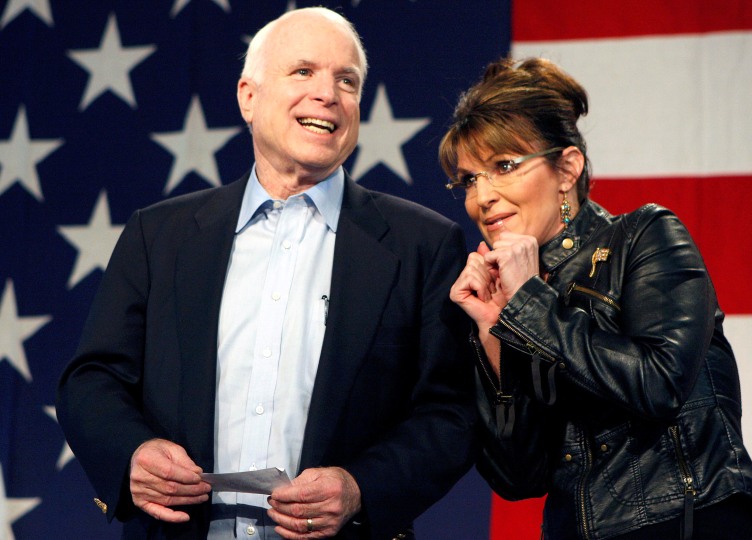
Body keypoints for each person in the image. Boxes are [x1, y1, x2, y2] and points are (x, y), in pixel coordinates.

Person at [57, 7, 476, 539]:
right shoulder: (158, 235)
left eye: (347, 81)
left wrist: (359, 487)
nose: (328, 93)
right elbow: (92, 379)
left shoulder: (422, 244)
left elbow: (450, 412)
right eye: (303, 72)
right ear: (248, 97)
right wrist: (132, 454)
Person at [440, 56, 752, 539]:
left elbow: (658, 384)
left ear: (567, 168)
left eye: (503, 166)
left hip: (685, 526)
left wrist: (528, 303)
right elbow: (517, 479)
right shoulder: (509, 300)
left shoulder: (645, 236)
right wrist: (492, 334)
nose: (480, 197)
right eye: (468, 178)